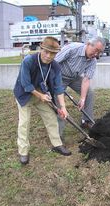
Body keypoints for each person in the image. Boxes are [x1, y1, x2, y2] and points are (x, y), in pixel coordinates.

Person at [13, 36, 72, 165]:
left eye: (53, 53)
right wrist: (40, 96)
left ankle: (57, 144)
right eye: (46, 52)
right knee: (24, 123)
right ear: (41, 49)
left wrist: (63, 107)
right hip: (25, 94)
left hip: (42, 94)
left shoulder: (55, 66)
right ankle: (23, 152)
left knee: (51, 118)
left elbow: (58, 88)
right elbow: (25, 84)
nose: (48, 56)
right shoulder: (28, 61)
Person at [54, 37, 105, 139]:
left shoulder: (93, 60)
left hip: (73, 77)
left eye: (99, 52)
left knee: (89, 93)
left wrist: (82, 99)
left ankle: (86, 121)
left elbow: (86, 80)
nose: (96, 54)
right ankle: (58, 136)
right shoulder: (72, 49)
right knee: (59, 104)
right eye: (95, 50)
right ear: (88, 44)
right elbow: (53, 63)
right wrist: (52, 81)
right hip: (58, 75)